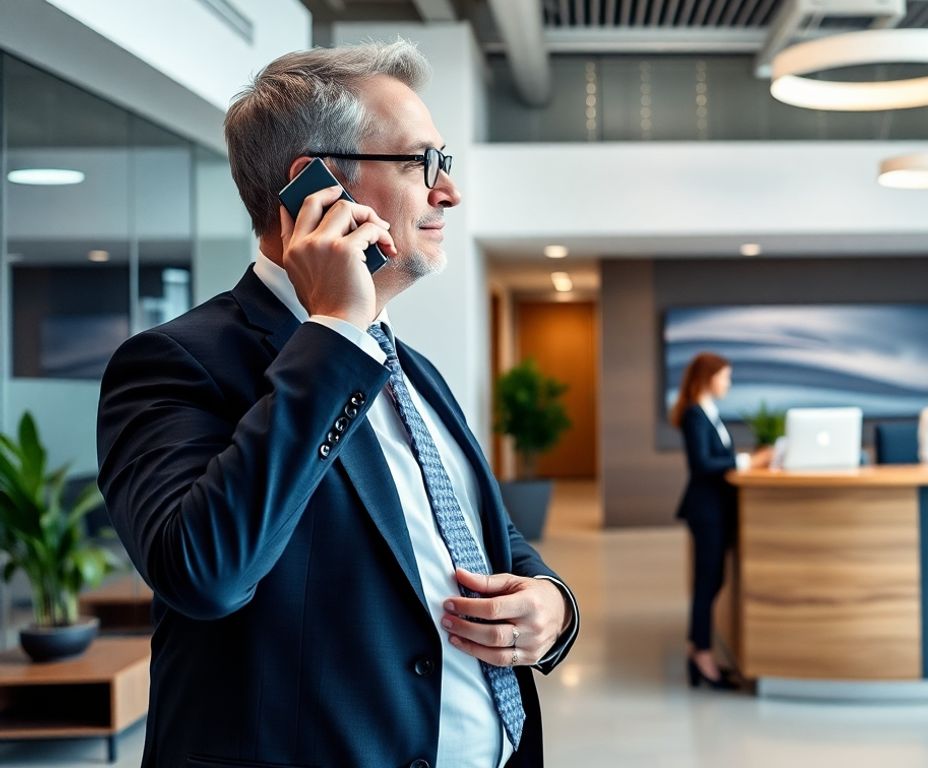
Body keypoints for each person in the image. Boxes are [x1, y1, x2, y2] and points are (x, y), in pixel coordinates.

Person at [96, 42, 578, 768]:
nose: (447, 193)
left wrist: (551, 607)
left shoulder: (414, 371)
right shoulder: (174, 362)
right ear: (315, 187)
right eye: (423, 164)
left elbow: (496, 545)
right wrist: (331, 334)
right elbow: (206, 572)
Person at [670, 352, 771, 690]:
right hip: (706, 510)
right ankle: (703, 657)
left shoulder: (708, 412)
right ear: (708, 377)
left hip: (715, 509)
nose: (728, 383)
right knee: (706, 585)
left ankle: (696, 650)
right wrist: (748, 462)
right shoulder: (694, 414)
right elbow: (703, 463)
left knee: (711, 583)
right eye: (725, 377)